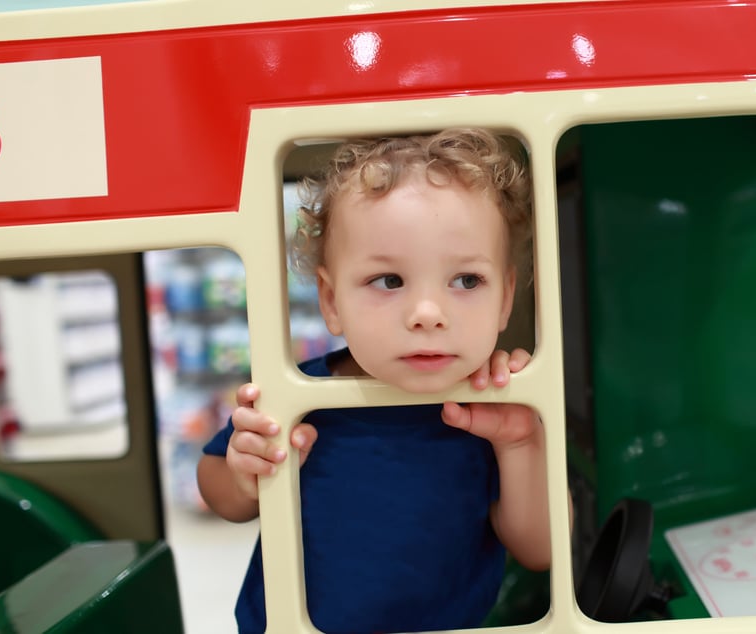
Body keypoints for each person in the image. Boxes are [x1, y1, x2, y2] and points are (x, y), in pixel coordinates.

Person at [196, 128, 552, 634]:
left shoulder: (496, 406)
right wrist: (241, 476)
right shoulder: (298, 395)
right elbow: (218, 491)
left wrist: (520, 445)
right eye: (389, 281)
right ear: (331, 301)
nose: (428, 314)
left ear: (505, 298)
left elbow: (540, 550)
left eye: (466, 280)